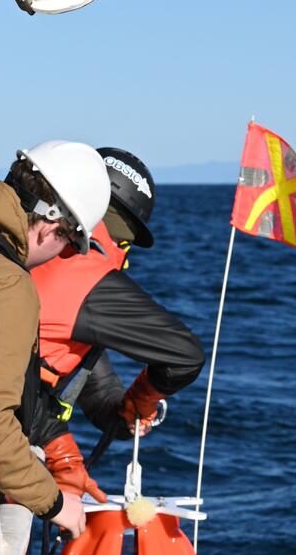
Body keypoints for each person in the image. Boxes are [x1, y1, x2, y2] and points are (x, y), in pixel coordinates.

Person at [25, 146, 204, 498]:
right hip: (7, 443)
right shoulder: (86, 270)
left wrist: (126, 414)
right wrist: (147, 397)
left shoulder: (33, 242)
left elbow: (92, 382)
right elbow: (186, 356)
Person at [0, 141, 112, 537]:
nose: (62, 256)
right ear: (52, 226)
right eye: (70, 246)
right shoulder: (9, 283)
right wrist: (55, 503)